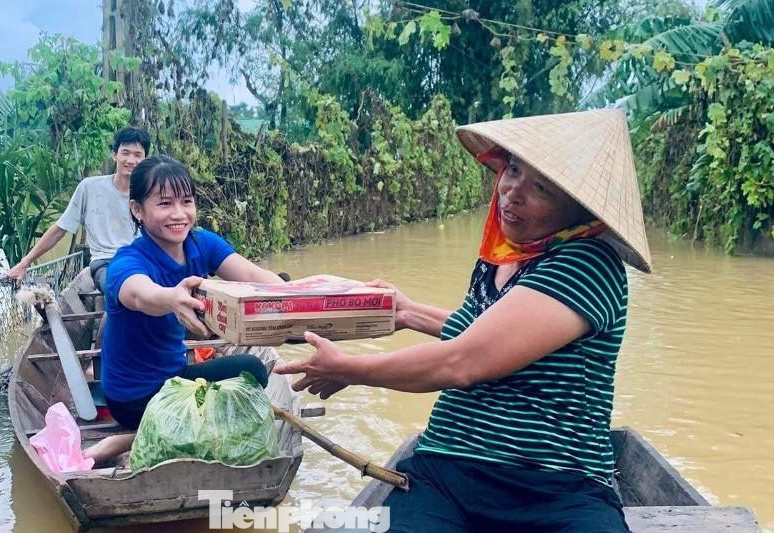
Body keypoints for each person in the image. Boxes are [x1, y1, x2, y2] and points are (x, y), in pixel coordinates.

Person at [274, 109, 652, 533]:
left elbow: (464, 361)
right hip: (450, 470)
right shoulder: (501, 257)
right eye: (513, 170)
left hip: (559, 487)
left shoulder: (587, 264)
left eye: (541, 187)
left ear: (578, 210)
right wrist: (408, 311)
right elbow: (484, 332)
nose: (512, 193)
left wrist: (351, 369)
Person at [83, 154, 284, 463]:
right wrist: (172, 298)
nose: (179, 214)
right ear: (137, 210)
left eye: (186, 201)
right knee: (248, 380)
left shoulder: (201, 244)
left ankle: (170, 430)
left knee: (253, 370)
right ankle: (126, 440)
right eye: (165, 204)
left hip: (174, 376)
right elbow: (139, 294)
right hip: (136, 399)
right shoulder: (128, 261)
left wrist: (306, 293)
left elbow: (254, 276)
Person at [6, 127, 151, 292]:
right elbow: (60, 229)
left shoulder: (149, 193)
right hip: (105, 262)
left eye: (137, 155)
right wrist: (24, 263)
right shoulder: (90, 188)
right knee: (122, 289)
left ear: (145, 159)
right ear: (114, 154)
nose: (131, 160)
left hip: (139, 261)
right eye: (125, 153)